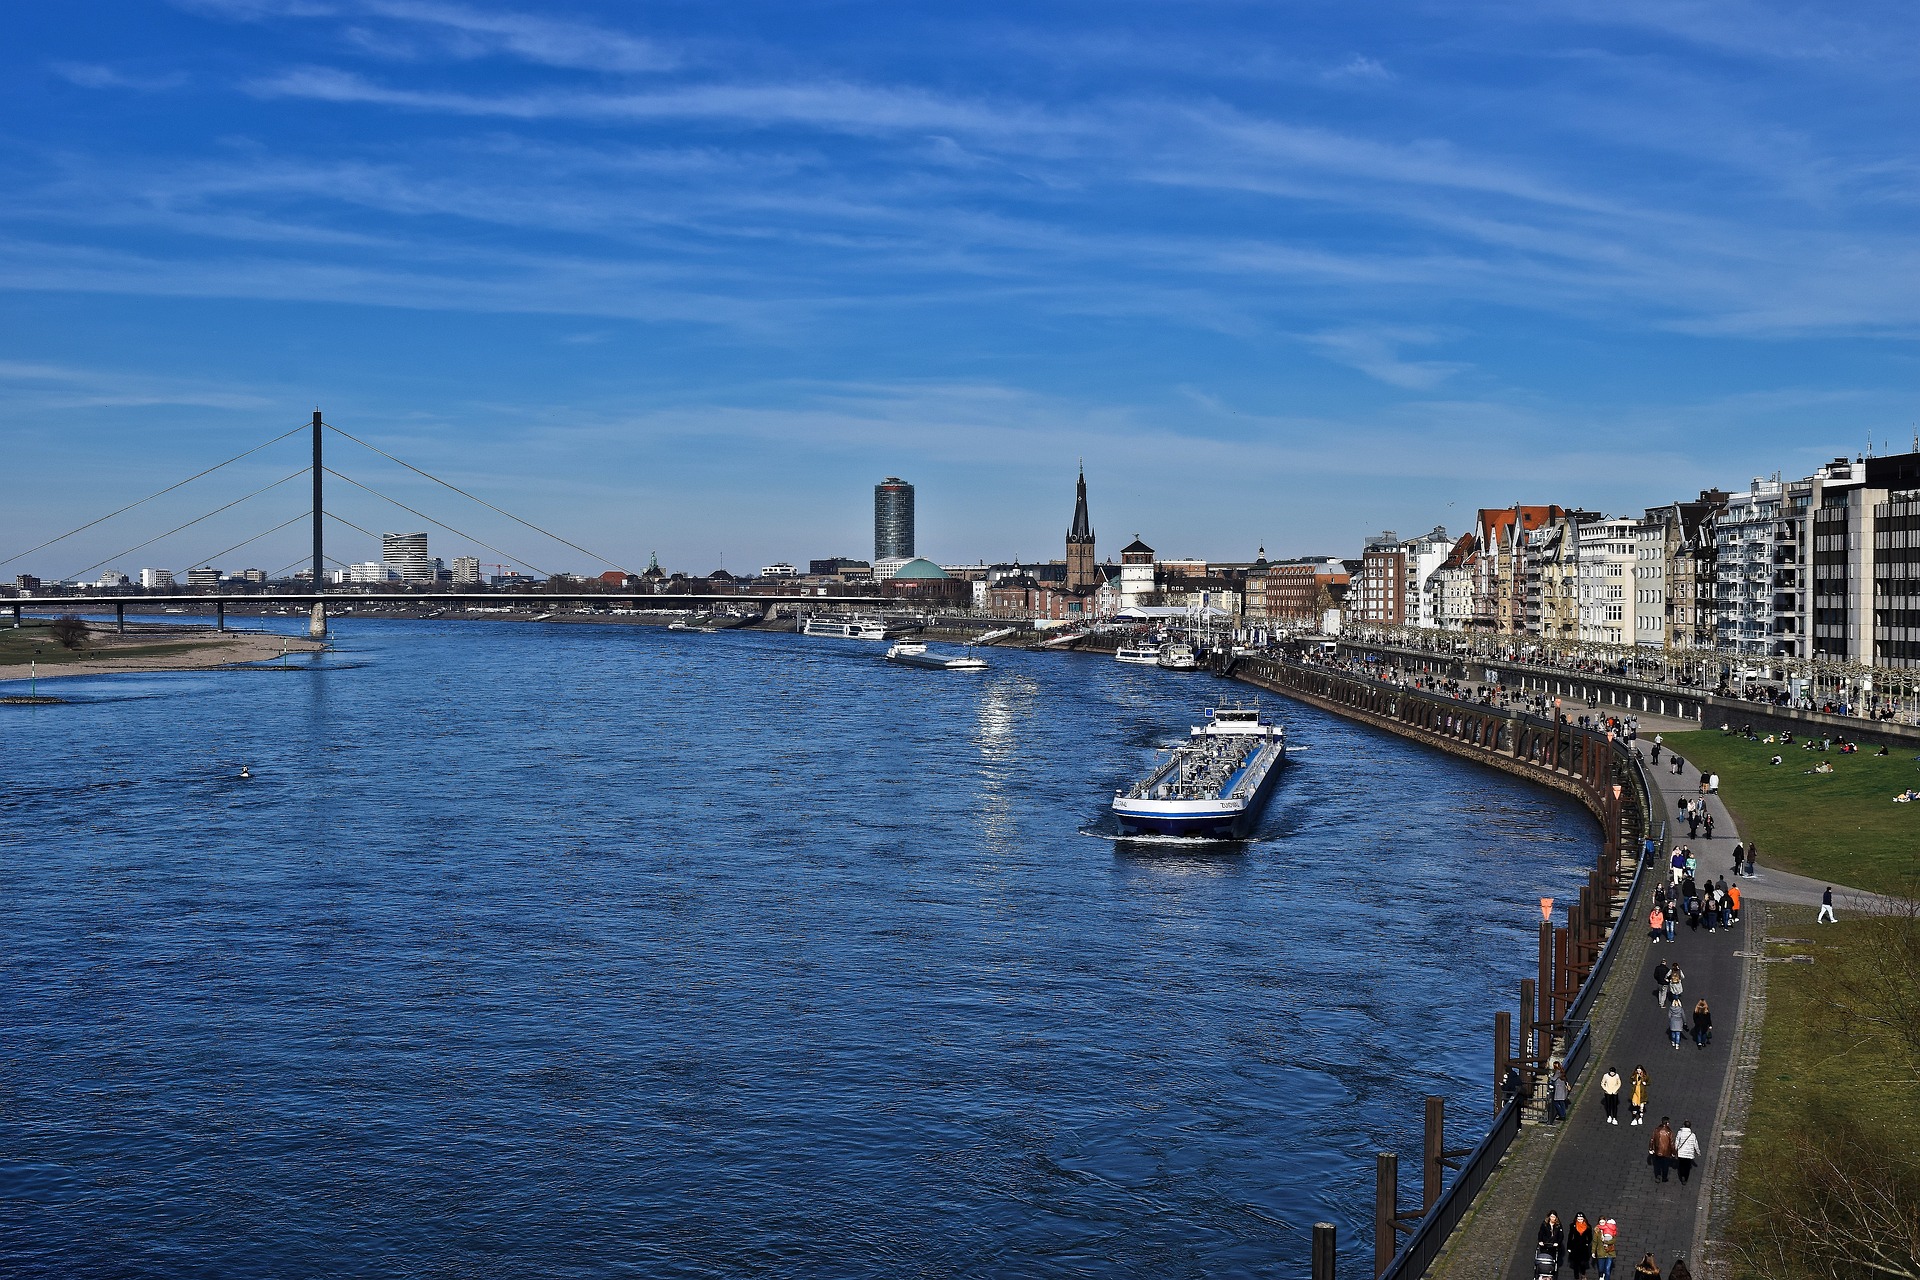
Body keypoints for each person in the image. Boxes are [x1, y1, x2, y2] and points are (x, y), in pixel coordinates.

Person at [1567, 1213, 1595, 1279]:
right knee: (1575, 1263)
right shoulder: (1573, 1226)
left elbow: (1590, 1237)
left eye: (1581, 1219)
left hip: (1583, 1247)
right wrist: (1569, 1247)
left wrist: (1587, 1243)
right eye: (1578, 1219)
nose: (1580, 1221)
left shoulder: (1588, 1226)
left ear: (1584, 1219)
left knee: (1582, 1263)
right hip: (1575, 1246)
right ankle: (1576, 1277)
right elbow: (1570, 1236)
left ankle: (1583, 1274)